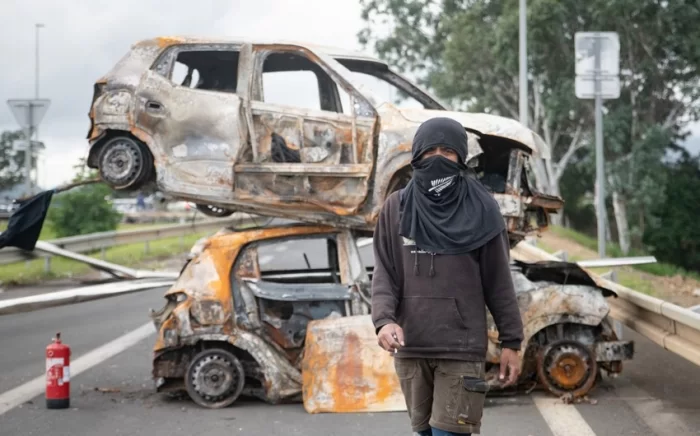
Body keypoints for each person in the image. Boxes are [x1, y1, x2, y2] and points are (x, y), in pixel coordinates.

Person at [371, 117, 524, 436]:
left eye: (447, 151)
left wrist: (512, 342)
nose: (437, 158)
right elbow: (385, 271)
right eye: (430, 151)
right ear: (416, 156)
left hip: (461, 348)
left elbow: (499, 282)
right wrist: (384, 320)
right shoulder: (395, 208)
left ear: (461, 157)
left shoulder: (482, 208)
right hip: (412, 347)